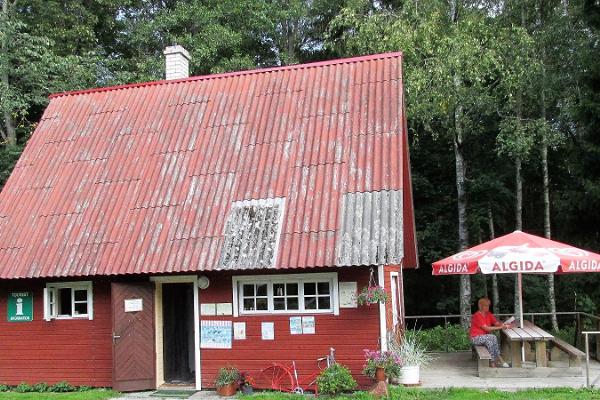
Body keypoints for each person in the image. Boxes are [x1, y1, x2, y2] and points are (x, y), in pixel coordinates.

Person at [470, 297, 511, 368]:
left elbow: (496, 323)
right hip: (475, 338)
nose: (487, 307)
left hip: (485, 337)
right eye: (485, 306)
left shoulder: (488, 314)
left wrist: (504, 324)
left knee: (490, 342)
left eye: (488, 305)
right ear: (480, 306)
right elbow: (486, 328)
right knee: (493, 337)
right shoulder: (477, 315)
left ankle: (493, 363)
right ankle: (499, 360)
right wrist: (501, 327)